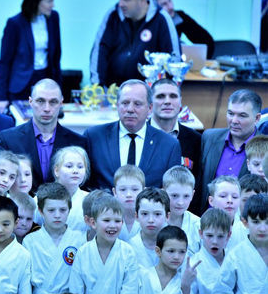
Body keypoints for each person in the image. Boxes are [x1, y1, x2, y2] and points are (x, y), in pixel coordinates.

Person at [22, 182, 85, 294]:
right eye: (51, 210)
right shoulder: (30, 241)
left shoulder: (79, 240)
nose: (57, 215)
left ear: (69, 210)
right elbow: (25, 287)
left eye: (62, 210)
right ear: (40, 211)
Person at [85, 79, 182, 190]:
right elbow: (85, 185)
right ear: (117, 105)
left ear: (150, 109)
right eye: (125, 103)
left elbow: (172, 191)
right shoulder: (94, 137)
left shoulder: (169, 145)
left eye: (137, 104)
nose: (130, 109)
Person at [69, 196, 139, 294]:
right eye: (106, 220)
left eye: (117, 221)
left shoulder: (128, 253)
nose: (112, 226)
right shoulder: (83, 253)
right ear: (93, 223)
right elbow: (76, 293)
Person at [0, 79, 87, 189]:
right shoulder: (9, 139)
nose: (47, 108)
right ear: (30, 102)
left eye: (53, 102)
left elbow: (84, 186)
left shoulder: (77, 142)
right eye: (40, 101)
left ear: (61, 103)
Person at [90, 0, 180, 87]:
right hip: (113, 90)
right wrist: (97, 86)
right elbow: (99, 50)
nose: (121, 4)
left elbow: (173, 57)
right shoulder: (113, 14)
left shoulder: (162, 18)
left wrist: (169, 90)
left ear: (142, 0)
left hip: (148, 91)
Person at [0, 0, 62, 112]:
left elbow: (56, 57)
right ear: (36, 1)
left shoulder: (53, 18)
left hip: (45, 79)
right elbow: (4, 62)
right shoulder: (15, 24)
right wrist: (0, 97)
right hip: (20, 85)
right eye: (49, 1)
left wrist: (59, 90)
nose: (53, 5)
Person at [200, 89, 263, 211]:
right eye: (230, 113)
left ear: (257, 118)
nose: (234, 120)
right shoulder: (209, 138)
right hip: (206, 218)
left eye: (242, 116)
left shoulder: (264, 148)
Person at [150, 79, 202, 207]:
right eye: (160, 96)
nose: (167, 101)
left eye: (173, 96)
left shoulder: (196, 140)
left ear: (180, 102)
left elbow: (198, 185)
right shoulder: (139, 136)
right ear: (150, 102)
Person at [148, 0, 215, 58]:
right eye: (164, 4)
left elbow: (207, 42)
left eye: (170, 0)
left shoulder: (178, 17)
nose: (170, 7)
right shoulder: (148, 24)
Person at [163, 166, 201, 255]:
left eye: (186, 196)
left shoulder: (199, 225)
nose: (180, 202)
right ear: (163, 192)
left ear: (192, 195)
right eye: (174, 196)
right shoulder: (154, 222)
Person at [52, 146, 90, 234]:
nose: (75, 171)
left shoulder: (91, 200)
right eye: (69, 166)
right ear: (56, 170)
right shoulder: (40, 199)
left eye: (80, 167)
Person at [129, 188, 170, 268]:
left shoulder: (176, 244)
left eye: (157, 214)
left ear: (167, 216)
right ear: (136, 216)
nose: (151, 220)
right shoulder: (129, 248)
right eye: (145, 214)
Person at [206, 176, 247, 249]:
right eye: (223, 196)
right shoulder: (199, 226)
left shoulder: (247, 230)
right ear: (211, 201)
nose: (230, 200)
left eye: (235, 197)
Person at [112, 165, 145, 242]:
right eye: (123, 189)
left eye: (135, 189)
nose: (129, 194)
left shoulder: (150, 218)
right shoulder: (108, 218)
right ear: (115, 192)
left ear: (144, 191)